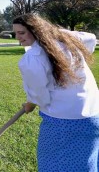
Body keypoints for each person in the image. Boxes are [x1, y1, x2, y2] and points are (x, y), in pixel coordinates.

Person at [13, 13, 99, 171]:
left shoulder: (32, 58)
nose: (18, 38)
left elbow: (41, 97)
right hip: (94, 117)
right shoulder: (66, 37)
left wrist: (31, 104)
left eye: (22, 32)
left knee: (53, 165)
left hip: (63, 123)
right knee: (86, 165)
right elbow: (91, 38)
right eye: (16, 33)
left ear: (35, 30)